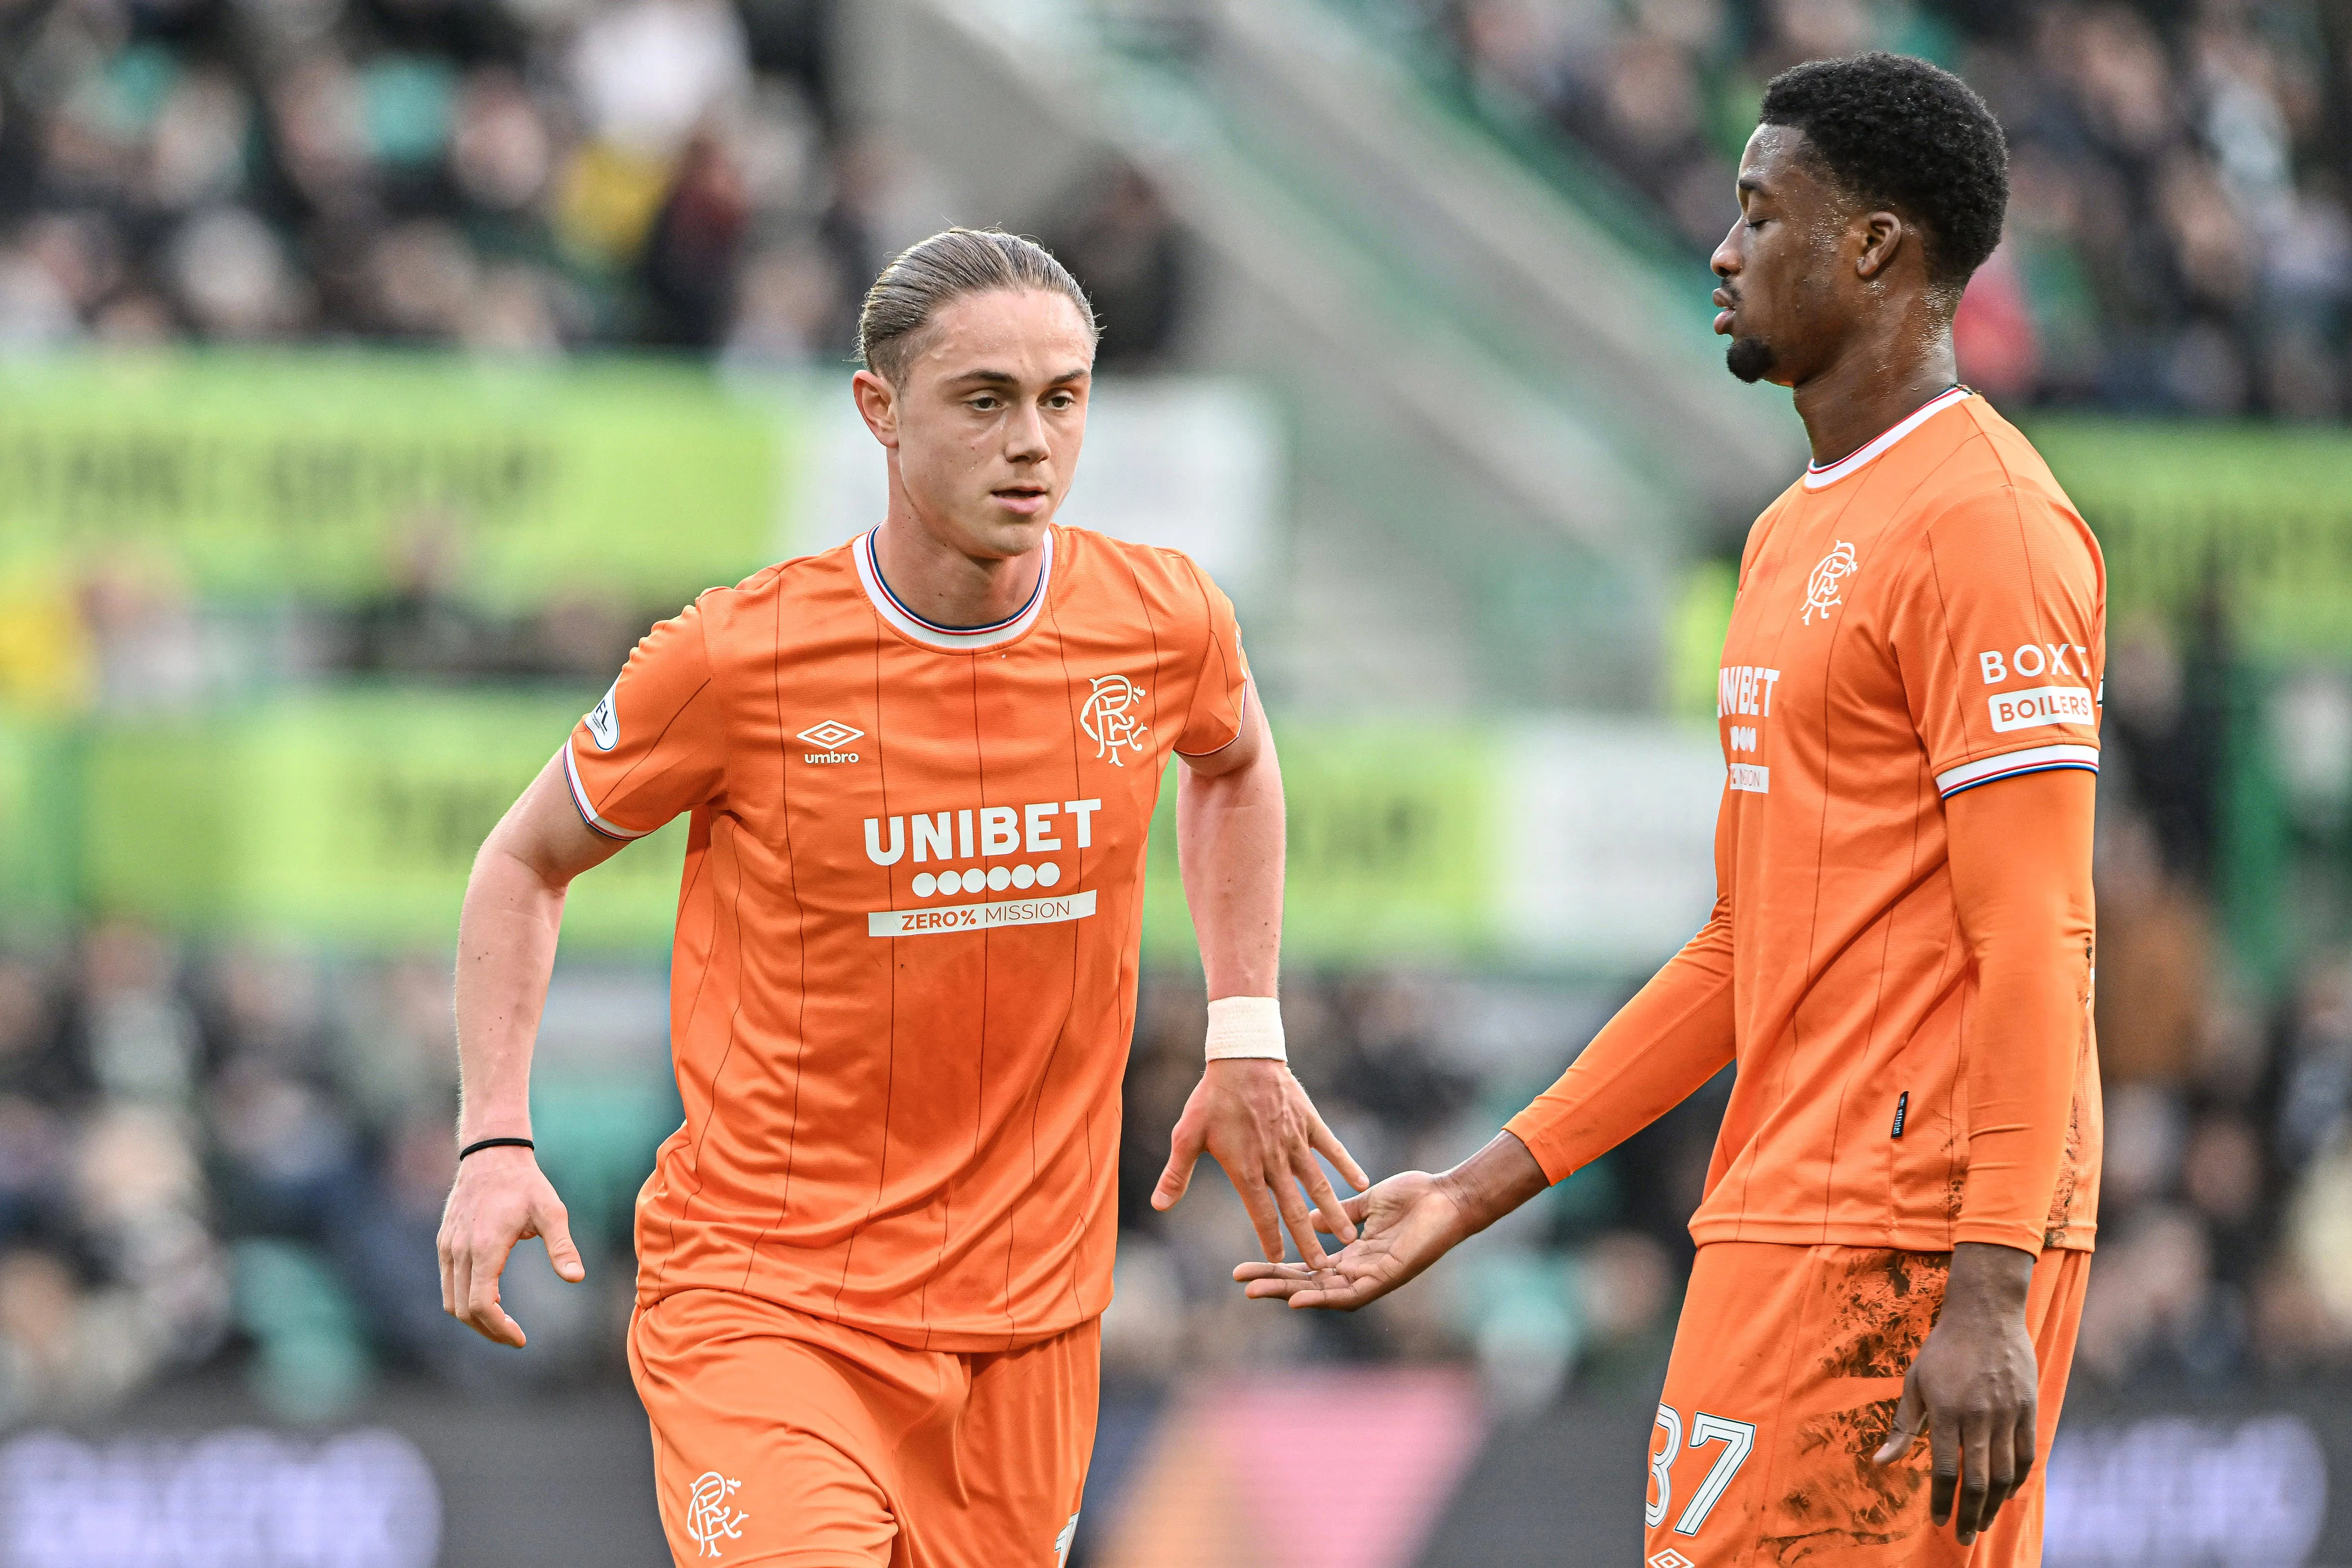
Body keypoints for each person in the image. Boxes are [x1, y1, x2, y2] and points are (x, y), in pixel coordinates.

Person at [1236, 54, 2102, 1568]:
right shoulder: (1783, 536)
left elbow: (2037, 929)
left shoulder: (1989, 525)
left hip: (1906, 1230)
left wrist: (1986, 1283)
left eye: (1758, 213)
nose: (1720, 248)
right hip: (1778, 1204)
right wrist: (1478, 1186)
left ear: (1874, 247)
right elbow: (1737, 947)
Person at [436, 227, 1368, 1567]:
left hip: (1030, 1319)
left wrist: (1244, 1029)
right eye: (983, 400)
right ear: (881, 410)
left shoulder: (1160, 619)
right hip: (773, 1305)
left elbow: (1233, 759)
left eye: (1062, 399)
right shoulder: (736, 657)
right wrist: (493, 1141)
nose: (1031, 442)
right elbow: (521, 860)